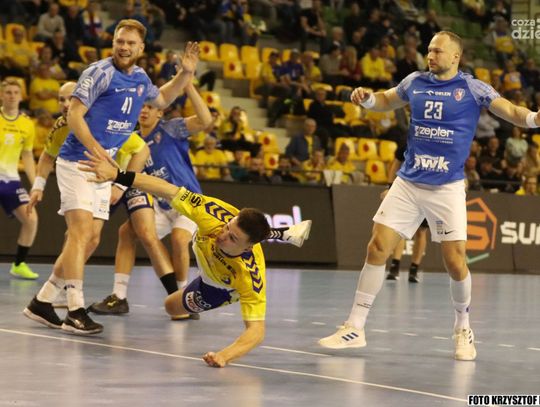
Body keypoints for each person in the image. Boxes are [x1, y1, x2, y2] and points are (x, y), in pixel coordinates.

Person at [318, 31, 540, 361]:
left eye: (438, 51)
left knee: (455, 262)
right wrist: (366, 99)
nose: (431, 55)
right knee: (377, 246)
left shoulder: (472, 88)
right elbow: (385, 100)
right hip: (408, 182)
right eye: (429, 50)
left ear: (456, 57)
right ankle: (355, 326)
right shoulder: (415, 81)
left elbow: (510, 110)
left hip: (447, 187)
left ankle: (463, 327)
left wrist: (534, 118)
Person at [23, 19, 200, 336]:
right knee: (79, 234)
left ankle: (43, 300)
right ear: (114, 42)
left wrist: (185, 75)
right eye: (120, 41)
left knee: (91, 239)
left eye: (131, 43)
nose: (124, 47)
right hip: (79, 161)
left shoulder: (141, 77)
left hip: (103, 170)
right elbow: (74, 114)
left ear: (141, 47)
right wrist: (98, 151)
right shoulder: (99, 72)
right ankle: (75, 310)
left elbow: (161, 100)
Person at [78, 149, 312, 367]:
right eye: (228, 227)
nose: (222, 236)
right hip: (207, 252)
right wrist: (118, 175)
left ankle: (280, 233)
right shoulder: (212, 215)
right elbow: (166, 189)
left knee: (172, 307)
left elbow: (257, 331)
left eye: (232, 238)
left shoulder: (249, 276)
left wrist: (224, 356)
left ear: (247, 248)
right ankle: (283, 233)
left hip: (219, 286)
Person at [88, 80, 213, 318]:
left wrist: (188, 85)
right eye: (141, 106)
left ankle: (183, 299)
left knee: (179, 239)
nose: (144, 110)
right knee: (126, 232)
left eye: (150, 106)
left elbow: (205, 121)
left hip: (188, 202)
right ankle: (119, 296)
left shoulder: (171, 128)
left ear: (160, 112)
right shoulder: (131, 140)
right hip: (162, 205)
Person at [0, 79, 38, 279]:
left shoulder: (27, 124)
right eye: (8, 92)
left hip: (11, 180)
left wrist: (36, 184)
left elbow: (28, 155)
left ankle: (19, 264)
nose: (12, 96)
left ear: (21, 97)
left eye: (16, 92)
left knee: (31, 219)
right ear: (1, 95)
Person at [384, 148, 428, 283]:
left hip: (428, 190)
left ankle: (414, 269)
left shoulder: (439, 142)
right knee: (400, 230)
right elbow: (396, 162)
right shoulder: (408, 140)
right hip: (407, 190)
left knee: (421, 231)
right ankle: (394, 266)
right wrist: (389, 187)